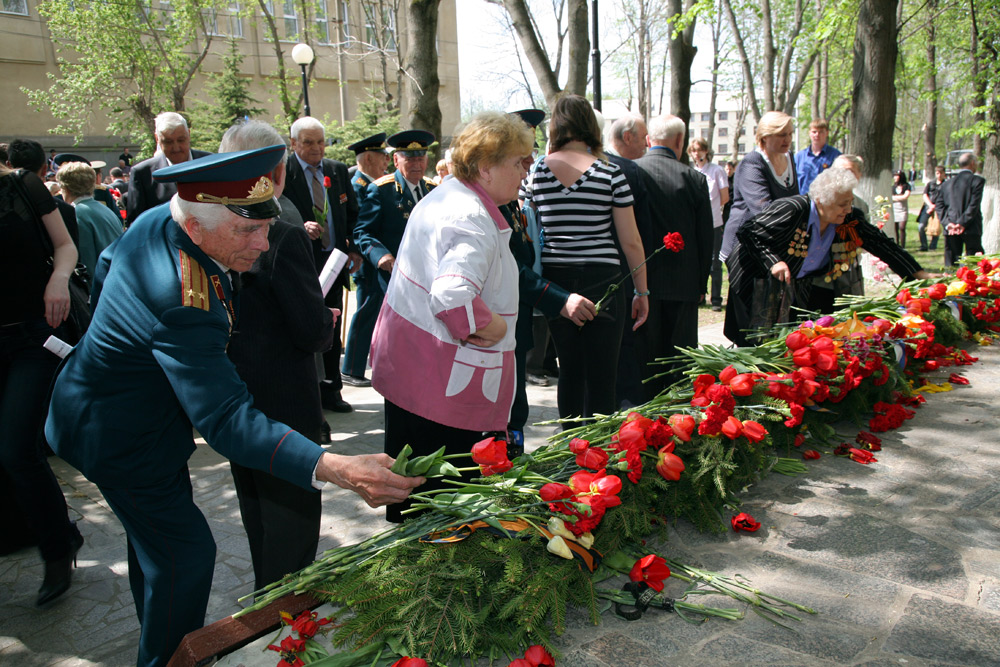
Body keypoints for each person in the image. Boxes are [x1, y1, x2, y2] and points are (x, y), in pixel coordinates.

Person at [45, 145, 422, 666]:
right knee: (186, 555)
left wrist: (122, 344)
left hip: (115, 411)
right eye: (248, 231)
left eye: (266, 226)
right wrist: (333, 468)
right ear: (196, 228)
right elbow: (225, 419)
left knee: (155, 546)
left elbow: (109, 264)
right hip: (119, 433)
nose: (264, 243)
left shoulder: (164, 218)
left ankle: (157, 635)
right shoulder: (182, 300)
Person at [370, 111, 533, 522]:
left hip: (419, 373)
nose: (525, 172)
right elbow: (453, 295)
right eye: (518, 162)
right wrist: (492, 325)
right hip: (441, 388)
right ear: (485, 167)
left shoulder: (449, 196)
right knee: (441, 510)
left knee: (414, 496)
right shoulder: (471, 216)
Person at [216, 121, 337, 593]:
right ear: (279, 170)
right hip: (284, 401)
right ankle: (282, 627)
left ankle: (265, 609)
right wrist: (328, 321)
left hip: (236, 394)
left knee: (259, 520)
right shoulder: (281, 232)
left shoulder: (218, 222)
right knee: (291, 527)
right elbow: (309, 332)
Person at [519, 95, 649, 425]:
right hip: (604, 279)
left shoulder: (535, 173)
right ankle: (600, 459)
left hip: (556, 283)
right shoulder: (610, 173)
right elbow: (631, 241)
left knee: (570, 370)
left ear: (556, 127)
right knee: (604, 374)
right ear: (591, 126)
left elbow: (526, 229)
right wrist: (642, 292)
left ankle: (571, 450)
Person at [0, 159, 84, 608]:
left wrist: (58, 277)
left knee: (17, 448)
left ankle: (57, 547)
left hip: (36, 335)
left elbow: (66, 246)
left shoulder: (21, 185)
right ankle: (56, 531)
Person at [724, 168, 930, 346]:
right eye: (842, 204)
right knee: (754, 340)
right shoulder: (793, 209)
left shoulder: (847, 219)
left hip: (793, 285)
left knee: (789, 339)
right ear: (821, 201)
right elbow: (748, 231)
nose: (848, 209)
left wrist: (916, 272)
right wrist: (773, 261)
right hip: (755, 280)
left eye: (849, 203)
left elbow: (881, 244)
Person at [503, 108, 596, 446]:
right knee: (506, 409)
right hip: (497, 328)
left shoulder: (513, 201)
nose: (531, 162)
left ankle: (511, 453)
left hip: (516, 323)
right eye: (521, 157)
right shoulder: (494, 204)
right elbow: (510, 270)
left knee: (516, 406)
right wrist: (561, 300)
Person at [284, 116, 362, 413]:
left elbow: (353, 215)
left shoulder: (336, 171)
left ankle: (332, 389)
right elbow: (274, 215)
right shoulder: (284, 172)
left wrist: (353, 249)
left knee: (331, 326)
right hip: (302, 266)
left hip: (334, 263)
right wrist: (298, 226)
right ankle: (310, 392)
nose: (317, 148)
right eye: (308, 142)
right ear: (293, 144)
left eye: (320, 142)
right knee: (306, 328)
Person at [632, 114, 713, 398]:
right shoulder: (694, 179)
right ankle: (677, 415)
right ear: (680, 141)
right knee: (679, 361)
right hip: (683, 281)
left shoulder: (632, 172)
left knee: (645, 360)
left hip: (642, 282)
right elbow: (705, 237)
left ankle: (643, 419)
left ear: (648, 140)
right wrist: (701, 283)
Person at [351, 129, 437, 386]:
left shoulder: (432, 188)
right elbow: (362, 232)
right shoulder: (382, 190)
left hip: (428, 278)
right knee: (399, 336)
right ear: (396, 160)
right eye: (409, 158)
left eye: (421, 158)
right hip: (395, 278)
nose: (416, 164)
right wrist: (381, 256)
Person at [340, 132, 392, 387]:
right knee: (366, 312)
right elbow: (358, 226)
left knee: (371, 312)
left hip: (374, 259)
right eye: (383, 156)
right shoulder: (358, 185)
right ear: (369, 157)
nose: (387, 161)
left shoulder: (371, 184)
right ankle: (351, 368)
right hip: (367, 260)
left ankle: (357, 366)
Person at [721, 111, 799, 260]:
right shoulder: (751, 164)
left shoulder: (789, 157)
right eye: (782, 135)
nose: (788, 139)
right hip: (746, 242)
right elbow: (764, 210)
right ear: (765, 136)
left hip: (776, 239)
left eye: (790, 134)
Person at [127, 112, 212, 225]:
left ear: (189, 134)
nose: (176, 148)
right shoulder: (143, 174)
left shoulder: (211, 164)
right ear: (157, 139)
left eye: (181, 140)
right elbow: (136, 224)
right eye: (168, 142)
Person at [55, 161, 124, 280]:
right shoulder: (105, 210)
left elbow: (87, 261)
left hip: (100, 286)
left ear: (66, 188)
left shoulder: (77, 213)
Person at [688, 137, 730, 312]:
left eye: (700, 150)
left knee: (714, 261)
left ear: (706, 151)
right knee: (696, 259)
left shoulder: (716, 171)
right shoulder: (690, 171)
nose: (697, 154)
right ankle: (700, 295)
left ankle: (716, 298)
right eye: (694, 150)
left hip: (713, 221)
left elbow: (725, 196)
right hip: (695, 223)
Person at [938, 152, 986, 267]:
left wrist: (948, 223)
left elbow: (939, 205)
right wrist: (961, 223)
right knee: (974, 262)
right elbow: (973, 205)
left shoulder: (947, 184)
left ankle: (950, 283)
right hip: (971, 227)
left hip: (951, 228)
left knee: (952, 262)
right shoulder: (977, 181)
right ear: (973, 163)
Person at [794, 118, 841, 193]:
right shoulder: (799, 157)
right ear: (809, 133)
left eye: (821, 132)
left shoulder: (835, 156)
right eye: (814, 132)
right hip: (802, 201)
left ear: (827, 133)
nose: (817, 135)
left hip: (825, 201)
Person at [917, 165, 946, 251]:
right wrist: (930, 205)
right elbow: (925, 195)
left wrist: (936, 207)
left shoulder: (946, 184)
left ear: (944, 174)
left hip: (939, 209)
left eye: (941, 173)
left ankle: (933, 245)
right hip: (927, 208)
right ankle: (923, 245)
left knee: (936, 227)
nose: (939, 175)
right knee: (921, 226)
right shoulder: (930, 184)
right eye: (937, 173)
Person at [891, 170, 911, 248]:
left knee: (902, 227)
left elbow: (905, 196)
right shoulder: (893, 187)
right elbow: (890, 197)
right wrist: (899, 197)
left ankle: (903, 246)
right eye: (894, 175)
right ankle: (897, 245)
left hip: (903, 210)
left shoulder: (906, 186)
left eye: (897, 175)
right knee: (895, 229)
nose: (895, 177)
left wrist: (895, 197)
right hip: (895, 209)